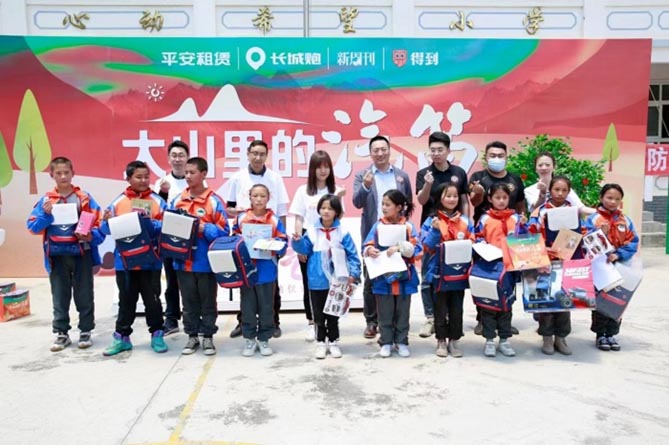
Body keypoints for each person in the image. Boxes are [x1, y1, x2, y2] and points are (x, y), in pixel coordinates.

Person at [27, 157, 105, 352]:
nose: (63, 176)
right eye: (58, 173)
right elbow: (32, 227)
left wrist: (89, 235)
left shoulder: (84, 198)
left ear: (73, 173)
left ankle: (86, 330)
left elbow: (99, 224)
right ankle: (61, 333)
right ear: (51, 175)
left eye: (66, 172)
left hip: (82, 254)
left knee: (84, 293)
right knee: (59, 295)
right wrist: (45, 216)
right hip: (56, 255)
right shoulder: (46, 201)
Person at [222, 140, 290, 339]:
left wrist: (280, 243)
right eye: (254, 153)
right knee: (246, 286)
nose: (258, 157)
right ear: (248, 154)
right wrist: (237, 214)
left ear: (267, 156)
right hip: (246, 237)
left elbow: (282, 211)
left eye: (262, 154)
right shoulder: (238, 178)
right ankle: (244, 323)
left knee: (271, 287)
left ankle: (273, 323)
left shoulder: (275, 178)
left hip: (269, 239)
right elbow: (229, 206)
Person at [100, 160, 168, 356]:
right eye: (139, 177)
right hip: (125, 262)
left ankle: (157, 335)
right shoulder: (118, 202)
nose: (143, 180)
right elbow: (105, 230)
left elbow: (166, 226)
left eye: (146, 177)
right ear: (128, 178)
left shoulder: (158, 201)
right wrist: (106, 222)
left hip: (150, 261)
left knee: (153, 300)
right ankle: (122, 338)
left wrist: (148, 222)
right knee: (126, 301)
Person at [353, 135, 413, 339]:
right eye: (375, 150)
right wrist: (365, 186)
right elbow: (357, 202)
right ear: (370, 153)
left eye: (383, 149)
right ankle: (372, 321)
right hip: (374, 233)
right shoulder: (363, 175)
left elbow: (407, 203)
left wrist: (403, 229)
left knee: (398, 275)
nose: (380, 153)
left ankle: (395, 322)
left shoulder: (401, 176)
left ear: (389, 150)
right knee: (372, 278)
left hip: (397, 234)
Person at [169, 157, 229, 356]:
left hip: (206, 263)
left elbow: (224, 232)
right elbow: (167, 227)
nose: (187, 176)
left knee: (208, 302)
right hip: (182, 262)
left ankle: (208, 336)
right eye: (186, 173)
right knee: (188, 302)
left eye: (192, 172)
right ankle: (192, 336)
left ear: (203, 174)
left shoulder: (214, 201)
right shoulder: (177, 200)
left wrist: (204, 228)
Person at [292, 194, 361, 359]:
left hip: (338, 280)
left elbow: (352, 255)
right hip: (316, 279)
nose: (326, 211)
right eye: (323, 208)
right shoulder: (312, 231)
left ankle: (334, 341)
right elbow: (304, 249)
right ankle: (320, 342)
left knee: (333, 313)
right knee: (318, 314)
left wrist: (353, 274)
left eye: (330, 208)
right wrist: (297, 242)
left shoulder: (343, 232)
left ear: (337, 211)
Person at [415, 131, 469, 338]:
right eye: (433, 150)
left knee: (453, 275)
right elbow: (421, 201)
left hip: (456, 228)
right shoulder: (423, 173)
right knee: (428, 276)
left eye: (440, 150)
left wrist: (466, 223)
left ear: (448, 150)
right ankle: (430, 318)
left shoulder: (459, 172)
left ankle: (449, 318)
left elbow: (463, 200)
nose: (436, 153)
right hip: (432, 226)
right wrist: (428, 184)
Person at [469, 141, 526, 336]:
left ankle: (505, 321)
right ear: (486, 157)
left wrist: (522, 221)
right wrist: (477, 193)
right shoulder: (478, 178)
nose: (496, 159)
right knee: (484, 280)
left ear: (506, 157)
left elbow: (520, 205)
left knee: (507, 283)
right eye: (492, 155)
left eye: (500, 155)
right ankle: (482, 320)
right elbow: (474, 202)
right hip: (486, 240)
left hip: (509, 243)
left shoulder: (515, 179)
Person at [289, 150, 346, 342]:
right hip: (310, 239)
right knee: (310, 283)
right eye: (319, 167)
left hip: (331, 239)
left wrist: (339, 197)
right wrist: (299, 245)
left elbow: (339, 217)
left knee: (332, 282)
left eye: (326, 166)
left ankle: (331, 323)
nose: (323, 171)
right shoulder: (303, 191)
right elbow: (299, 218)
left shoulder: (335, 189)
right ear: (312, 169)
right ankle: (312, 322)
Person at [528, 175, 583, 356]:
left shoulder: (574, 212)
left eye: (564, 190)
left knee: (565, 301)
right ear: (550, 190)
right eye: (556, 189)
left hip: (566, 262)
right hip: (546, 262)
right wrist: (543, 252)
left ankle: (561, 337)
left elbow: (582, 233)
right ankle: (546, 337)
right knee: (546, 301)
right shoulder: (541, 211)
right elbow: (532, 233)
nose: (560, 193)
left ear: (569, 192)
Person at [363, 190, 421, 358]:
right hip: (383, 279)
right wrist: (370, 250)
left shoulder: (408, 226)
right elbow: (367, 244)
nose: (384, 207)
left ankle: (401, 341)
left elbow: (417, 249)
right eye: (383, 204)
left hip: (404, 279)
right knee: (385, 312)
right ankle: (386, 342)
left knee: (403, 312)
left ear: (399, 207)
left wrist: (400, 248)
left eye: (388, 204)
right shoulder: (378, 226)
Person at [420, 183, 475, 358]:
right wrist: (435, 231)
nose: (452, 199)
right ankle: (441, 340)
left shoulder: (465, 221)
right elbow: (426, 246)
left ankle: (454, 340)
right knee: (440, 308)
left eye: (455, 196)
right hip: (438, 273)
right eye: (448, 195)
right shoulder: (432, 221)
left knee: (456, 308)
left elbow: (473, 241)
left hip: (458, 274)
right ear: (440, 198)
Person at [232, 184, 288, 357]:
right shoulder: (241, 218)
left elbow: (283, 244)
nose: (258, 199)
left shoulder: (274, 220)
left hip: (266, 271)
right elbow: (232, 238)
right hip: (246, 270)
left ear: (268, 198)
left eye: (262, 196)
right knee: (247, 306)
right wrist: (239, 241)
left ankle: (264, 339)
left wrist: (273, 244)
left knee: (266, 307)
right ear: (249, 197)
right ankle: (249, 339)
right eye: (255, 195)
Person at [585, 183, 639, 352]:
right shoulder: (593, 219)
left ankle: (612, 334)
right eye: (609, 198)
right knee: (602, 302)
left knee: (618, 301)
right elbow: (586, 241)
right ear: (601, 198)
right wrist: (601, 235)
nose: (613, 202)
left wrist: (619, 254)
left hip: (620, 266)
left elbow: (633, 242)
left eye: (617, 199)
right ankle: (600, 334)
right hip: (600, 267)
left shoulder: (625, 220)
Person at [474, 183, 525, 358]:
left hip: (509, 269)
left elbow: (524, 240)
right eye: (497, 197)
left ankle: (504, 340)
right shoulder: (485, 219)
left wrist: (524, 227)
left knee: (506, 305)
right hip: (489, 267)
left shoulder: (516, 218)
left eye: (504, 198)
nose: (501, 201)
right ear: (490, 199)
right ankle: (489, 340)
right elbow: (478, 238)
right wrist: (484, 247)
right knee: (488, 305)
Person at [153, 140, 190, 336]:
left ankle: (193, 318)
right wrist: (163, 192)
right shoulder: (162, 183)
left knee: (190, 281)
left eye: (181, 155)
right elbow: (156, 209)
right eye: (174, 155)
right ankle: (172, 318)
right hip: (168, 239)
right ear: (168, 159)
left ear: (187, 158)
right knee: (171, 281)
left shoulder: (194, 180)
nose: (178, 159)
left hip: (190, 239)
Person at [524, 151, 594, 216]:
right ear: (535, 168)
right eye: (540, 165)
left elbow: (580, 208)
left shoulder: (563, 186)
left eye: (547, 165)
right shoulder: (529, 190)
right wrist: (542, 193)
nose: (544, 168)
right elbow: (536, 209)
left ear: (554, 167)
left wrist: (598, 212)